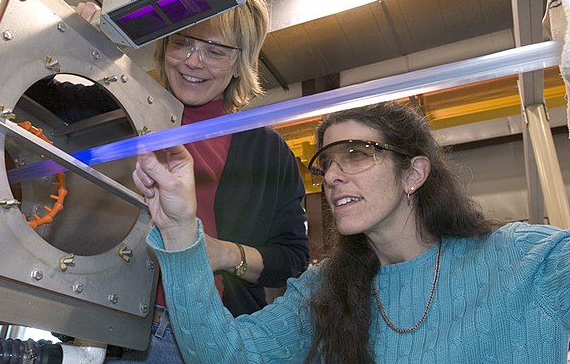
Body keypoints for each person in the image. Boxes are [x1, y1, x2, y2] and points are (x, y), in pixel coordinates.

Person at [134, 100, 570, 364]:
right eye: (326, 164)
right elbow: (225, 356)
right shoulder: (323, 289)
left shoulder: (526, 260)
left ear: (414, 173)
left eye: (357, 154)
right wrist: (176, 230)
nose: (333, 176)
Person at [27, 0, 309, 363]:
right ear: (163, 47)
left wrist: (222, 254)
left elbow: (291, 258)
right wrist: (79, 41)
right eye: (183, 44)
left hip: (195, 337)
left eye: (215, 51)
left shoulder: (268, 152)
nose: (193, 62)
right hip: (96, 324)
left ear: (241, 63)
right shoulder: (119, 102)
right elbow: (35, 91)